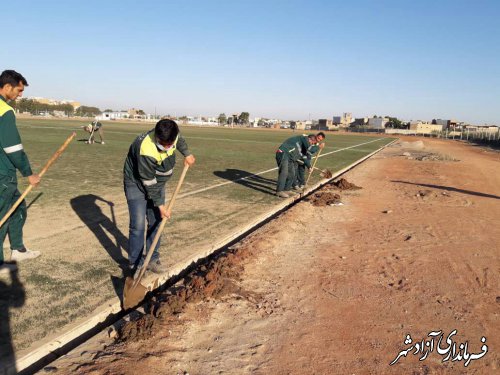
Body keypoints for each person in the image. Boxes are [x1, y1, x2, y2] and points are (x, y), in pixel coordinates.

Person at [123, 119, 195, 277]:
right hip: (136, 183)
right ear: (156, 136)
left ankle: (152, 259)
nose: (168, 147)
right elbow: (149, 183)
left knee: (156, 221)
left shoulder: (172, 135)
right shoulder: (146, 149)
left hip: (157, 183)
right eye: (164, 144)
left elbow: (180, 141)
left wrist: (187, 154)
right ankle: (135, 264)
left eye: (170, 144)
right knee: (138, 224)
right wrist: (161, 206)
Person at [0, 70, 41, 276]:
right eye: (19, 90)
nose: (20, 94)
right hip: (2, 175)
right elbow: (13, 147)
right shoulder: (5, 111)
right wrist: (28, 173)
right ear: (7, 87)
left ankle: (18, 249)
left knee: (19, 206)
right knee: (3, 214)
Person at [275, 133, 317, 198]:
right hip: (283, 153)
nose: (311, 144)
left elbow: (303, 156)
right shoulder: (303, 140)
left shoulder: (302, 144)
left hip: (290, 157)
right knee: (284, 173)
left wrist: (309, 166)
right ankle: (279, 191)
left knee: (292, 173)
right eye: (312, 142)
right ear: (309, 139)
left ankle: (287, 189)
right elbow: (307, 147)